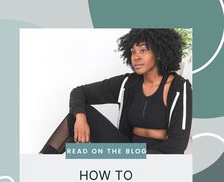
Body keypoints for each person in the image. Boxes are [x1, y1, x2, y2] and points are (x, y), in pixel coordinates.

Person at [40, 28, 192, 154]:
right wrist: (80, 118)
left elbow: (177, 146)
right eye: (133, 52)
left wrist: (134, 156)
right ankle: (40, 163)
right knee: (77, 115)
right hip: (127, 149)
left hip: (158, 158)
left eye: (143, 50)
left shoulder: (179, 88)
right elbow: (79, 92)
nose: (136, 57)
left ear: (159, 52)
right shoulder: (128, 83)